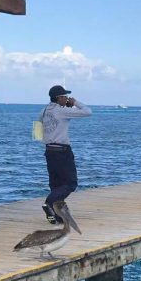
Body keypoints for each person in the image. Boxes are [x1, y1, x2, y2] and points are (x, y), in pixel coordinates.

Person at [40, 84, 92, 223]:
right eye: (65, 97)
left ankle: (56, 216)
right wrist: (75, 103)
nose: (67, 99)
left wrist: (48, 138)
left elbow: (36, 130)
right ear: (59, 98)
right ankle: (49, 203)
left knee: (56, 185)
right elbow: (87, 111)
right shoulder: (61, 111)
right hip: (62, 151)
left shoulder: (44, 110)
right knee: (70, 183)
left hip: (49, 150)